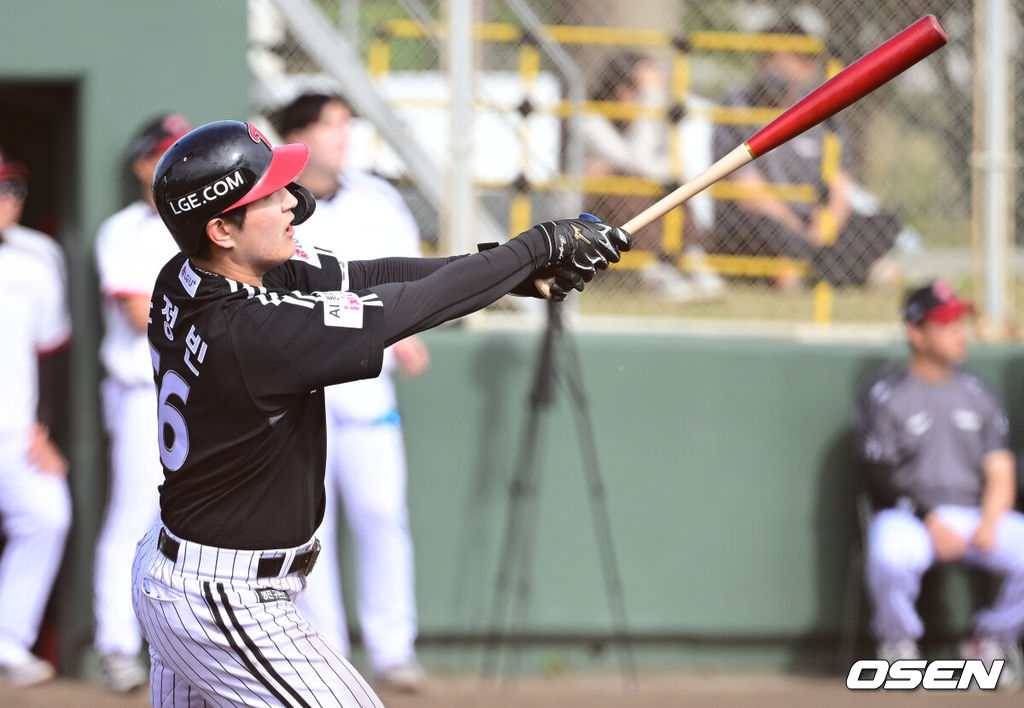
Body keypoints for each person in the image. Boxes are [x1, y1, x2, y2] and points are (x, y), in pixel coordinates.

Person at [130, 119, 629, 706]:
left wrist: (508, 274)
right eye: (269, 196)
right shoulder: (250, 333)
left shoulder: (192, 275)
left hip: (190, 571)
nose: (293, 202)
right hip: (224, 596)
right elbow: (398, 309)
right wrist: (535, 248)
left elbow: (372, 276)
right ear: (221, 228)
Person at [272, 92, 428, 691]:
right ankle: (327, 654)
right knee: (312, 533)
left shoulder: (378, 199)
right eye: (328, 126)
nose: (343, 137)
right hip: (301, 396)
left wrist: (408, 329)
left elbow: (408, 279)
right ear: (297, 137)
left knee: (382, 513)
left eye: (345, 125)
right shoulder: (276, 207)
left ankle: (394, 649)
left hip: (367, 394)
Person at [856, 280, 1024, 683]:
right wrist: (931, 520)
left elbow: (1000, 469)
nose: (957, 332)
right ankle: (898, 645)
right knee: (890, 553)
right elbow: (879, 479)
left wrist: (989, 519)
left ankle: (992, 642)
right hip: (910, 517)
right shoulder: (885, 395)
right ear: (916, 332)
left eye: (959, 322)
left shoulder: (977, 391)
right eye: (945, 324)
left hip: (973, 515)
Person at [92, 113, 192, 693]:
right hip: (140, 394)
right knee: (131, 519)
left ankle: (176, 649)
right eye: (161, 152)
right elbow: (138, 313)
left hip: (194, 395)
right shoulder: (124, 230)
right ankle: (115, 646)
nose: (170, 161)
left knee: (185, 525)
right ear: (141, 164)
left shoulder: (200, 226)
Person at [711, 18, 900, 287]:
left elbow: (840, 184)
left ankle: (812, 268)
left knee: (884, 223)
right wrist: (798, 231)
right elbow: (747, 191)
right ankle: (833, 269)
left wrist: (826, 228)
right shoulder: (737, 106)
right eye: (763, 58)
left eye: (778, 60)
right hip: (769, 222)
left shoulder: (824, 109)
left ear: (807, 67)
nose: (768, 68)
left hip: (813, 220)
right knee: (761, 228)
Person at [0, 149, 72, 687]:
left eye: (14, 191)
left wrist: (42, 428)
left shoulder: (38, 256)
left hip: (15, 429)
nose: (7, 201)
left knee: (48, 514)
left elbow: (50, 351)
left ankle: (9, 640)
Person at [582, 52, 724, 302]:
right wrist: (650, 99)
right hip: (591, 214)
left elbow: (667, 167)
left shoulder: (647, 121)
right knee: (626, 182)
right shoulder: (591, 118)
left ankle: (691, 258)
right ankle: (655, 270)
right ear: (618, 90)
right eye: (637, 91)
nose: (640, 99)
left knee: (668, 185)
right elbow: (635, 162)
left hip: (639, 201)